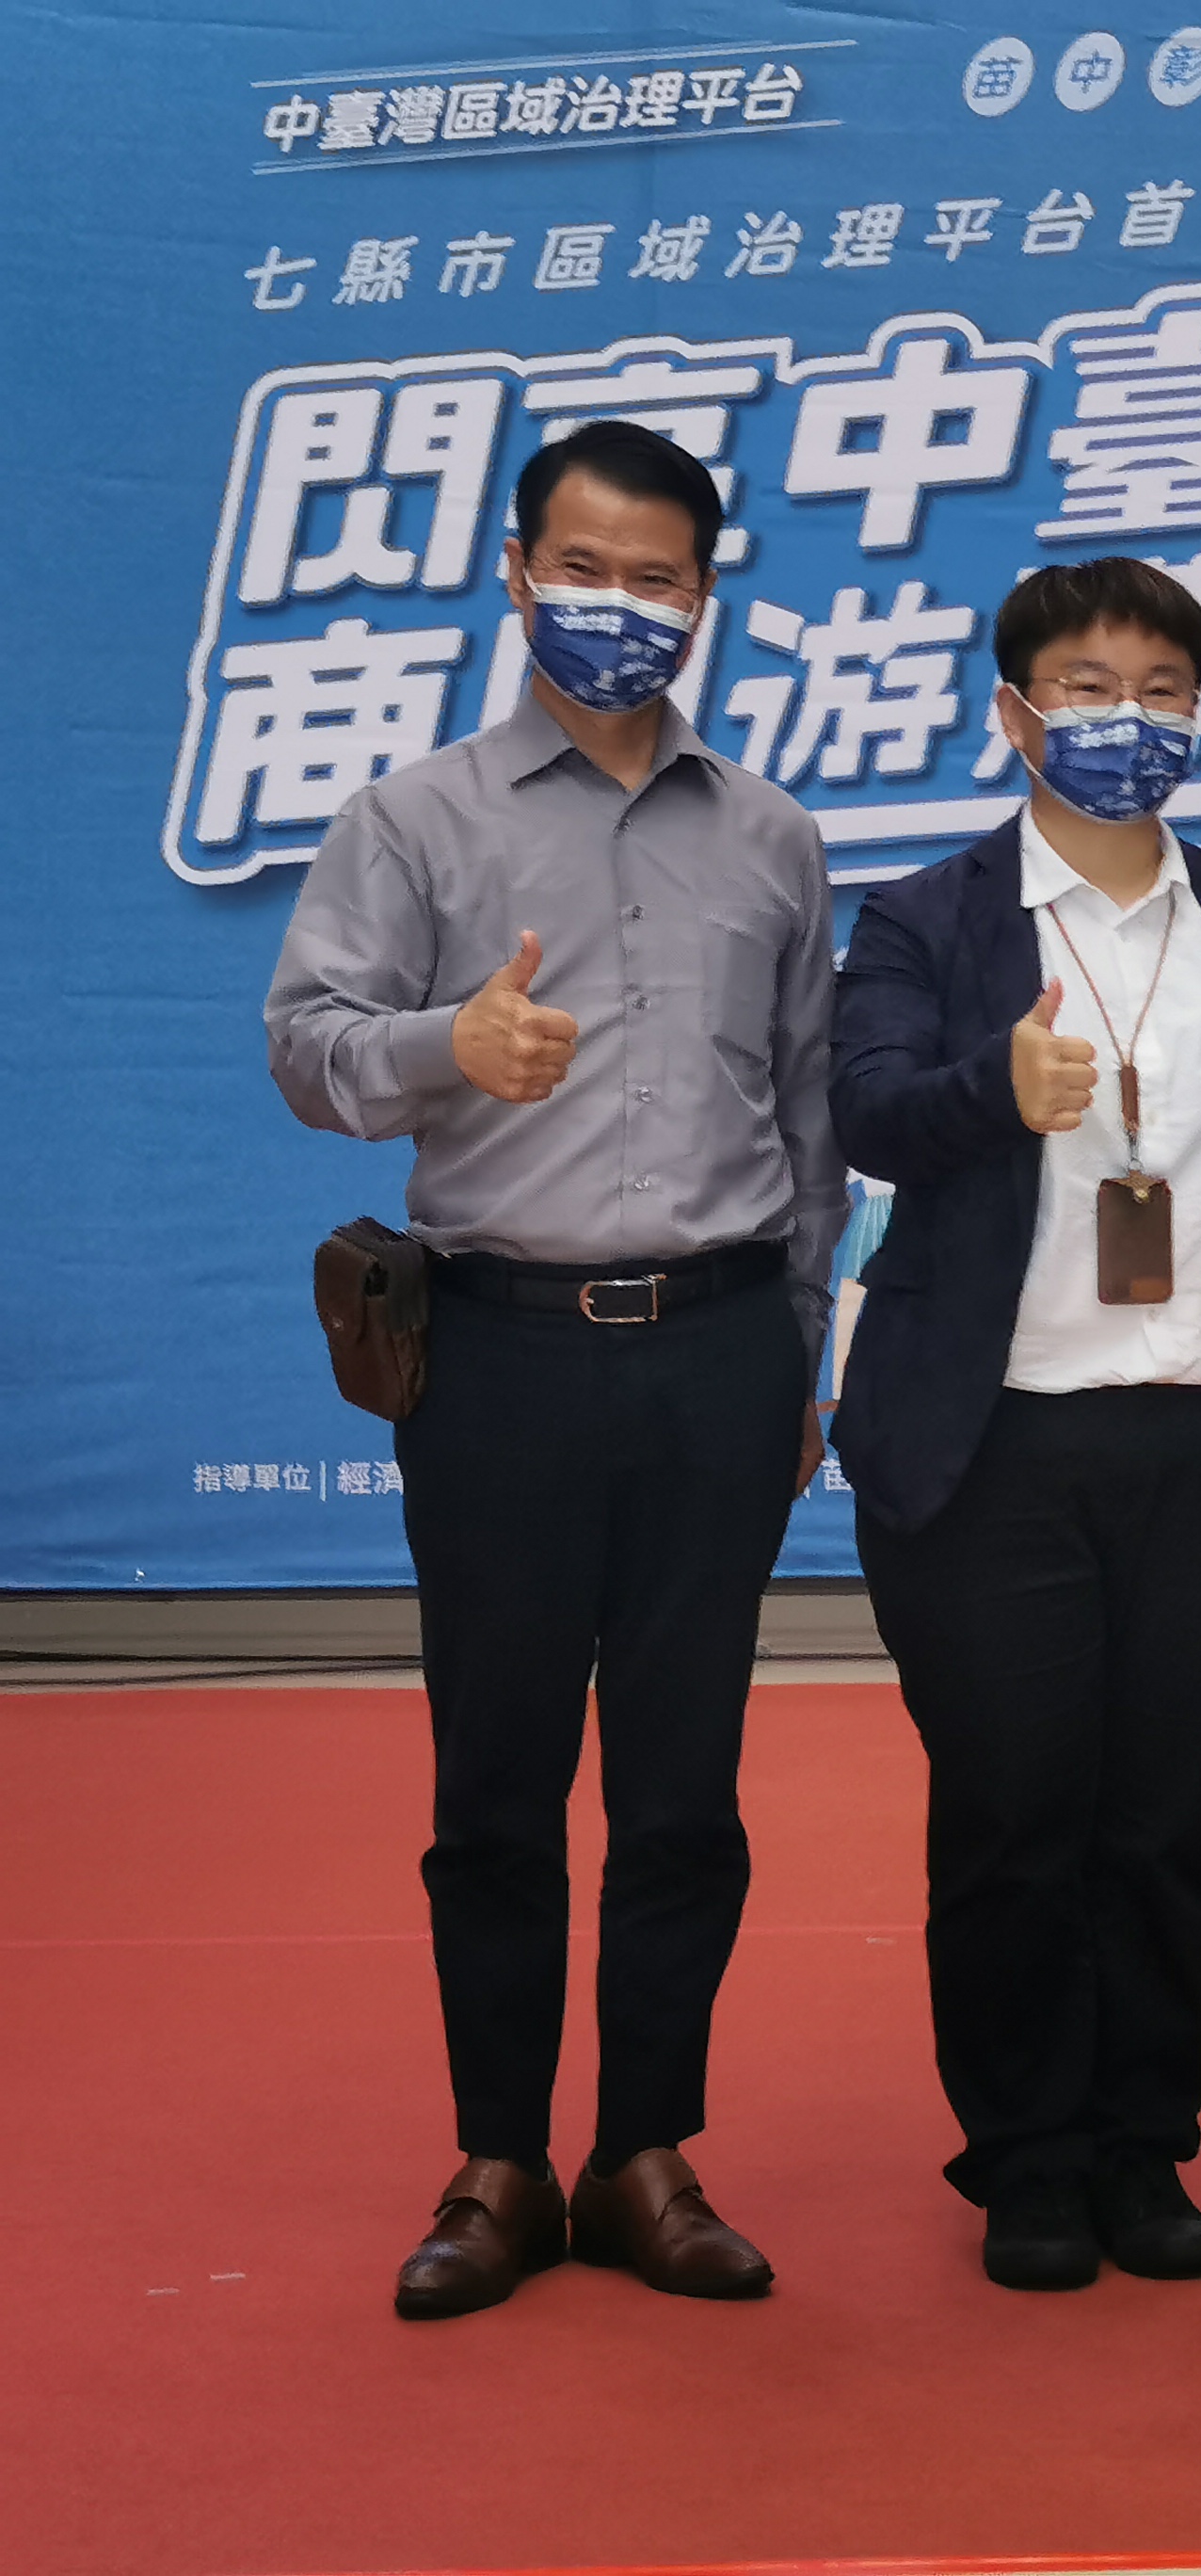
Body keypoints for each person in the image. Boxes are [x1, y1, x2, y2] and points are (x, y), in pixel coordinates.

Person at [265, 420, 842, 2319]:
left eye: (656, 579)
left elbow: (810, 1120)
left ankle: (648, 2152)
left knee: (686, 1792)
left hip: (721, 1352)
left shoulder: (772, 836)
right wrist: (450, 1047)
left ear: (705, 595)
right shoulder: (414, 821)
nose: (619, 606)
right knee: (497, 1787)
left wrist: (799, 1348)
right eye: (582, 570)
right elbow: (306, 1046)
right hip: (503, 1356)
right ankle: (500, 2162)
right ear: (515, 571)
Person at [829, 559, 1201, 2292]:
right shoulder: (930, 921)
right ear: (1014, 712)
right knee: (1016, 1817)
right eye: (1085, 686)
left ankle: (1145, 2145)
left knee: (1168, 1824)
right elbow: (864, 1113)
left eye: (1161, 689)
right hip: (994, 1447)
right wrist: (990, 1090)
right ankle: (1026, 2158)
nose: (1124, 721)